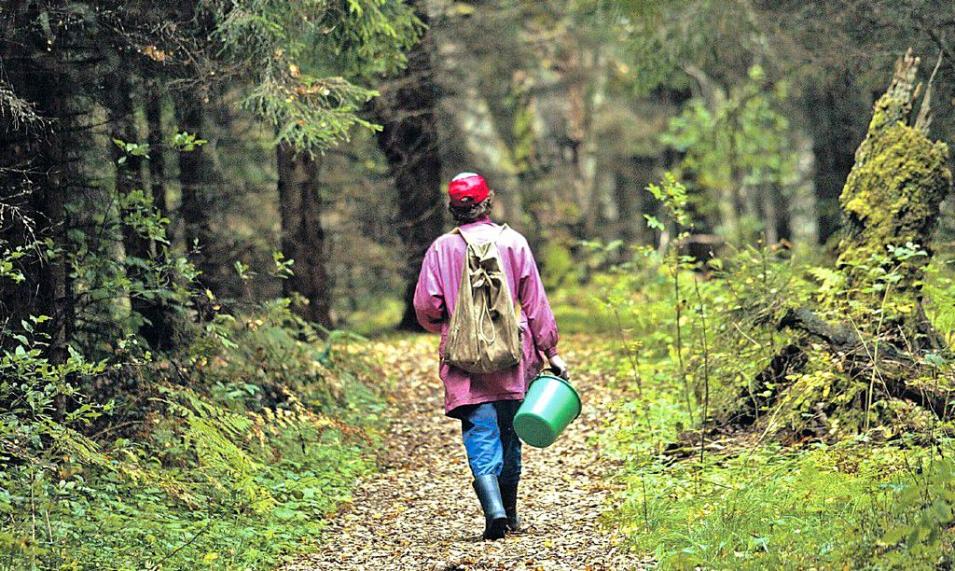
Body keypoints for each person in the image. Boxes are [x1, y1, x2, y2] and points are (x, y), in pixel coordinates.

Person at [413, 172, 567, 540]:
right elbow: (535, 304)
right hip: (514, 358)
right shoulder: (514, 243)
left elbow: (426, 305)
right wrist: (552, 352)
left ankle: (493, 511)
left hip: (465, 363)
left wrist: (449, 326)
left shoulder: (441, 249)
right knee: (511, 433)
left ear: (453, 209)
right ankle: (510, 513)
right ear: (489, 201)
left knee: (480, 431)